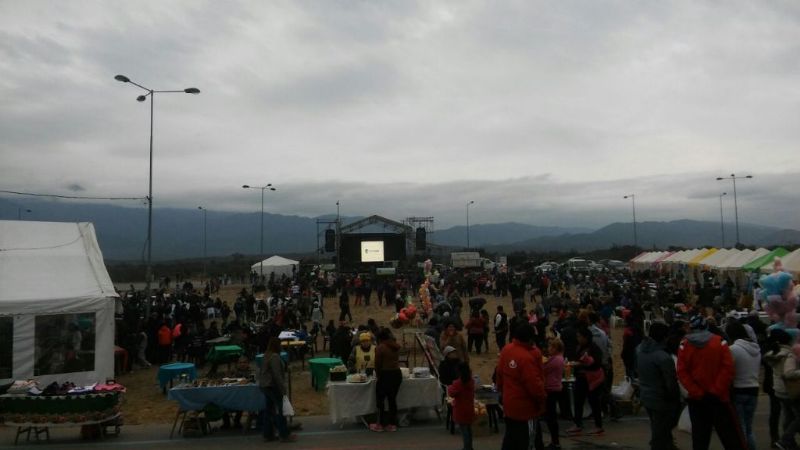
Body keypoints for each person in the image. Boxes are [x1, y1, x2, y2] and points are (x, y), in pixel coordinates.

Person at [677, 315, 746, 450]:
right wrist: (716, 390)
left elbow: (682, 373)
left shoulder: (684, 345)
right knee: (731, 438)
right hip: (719, 398)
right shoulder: (719, 342)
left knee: (700, 439)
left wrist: (696, 391)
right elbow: (727, 368)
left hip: (697, 400)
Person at [496, 323, 546, 450]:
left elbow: (499, 374)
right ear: (529, 339)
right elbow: (534, 385)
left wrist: (501, 391)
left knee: (511, 439)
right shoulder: (526, 358)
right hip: (526, 409)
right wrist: (542, 400)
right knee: (530, 442)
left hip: (509, 405)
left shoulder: (507, 349)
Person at [637, 322, 680, 450]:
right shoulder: (663, 357)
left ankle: (668, 445)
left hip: (646, 395)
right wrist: (675, 399)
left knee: (658, 428)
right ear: (665, 337)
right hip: (661, 399)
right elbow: (670, 383)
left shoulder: (640, 350)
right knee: (660, 432)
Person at [727, 321, 761, 450]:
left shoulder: (733, 349)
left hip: (738, 389)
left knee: (740, 429)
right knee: (748, 427)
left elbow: (729, 370)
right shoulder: (756, 348)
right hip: (754, 388)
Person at [567, 326, 605, 436]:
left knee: (594, 402)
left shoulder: (593, 348)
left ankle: (598, 426)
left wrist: (583, 363)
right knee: (578, 401)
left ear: (586, 337)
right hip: (581, 378)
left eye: (579, 336)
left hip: (592, 379)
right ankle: (578, 424)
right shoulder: (579, 347)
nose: (578, 338)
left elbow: (597, 363)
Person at [258, 337, 297, 442]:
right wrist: (283, 389)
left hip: (265, 385)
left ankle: (268, 433)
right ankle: (284, 434)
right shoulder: (274, 357)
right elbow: (277, 375)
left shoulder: (267, 355)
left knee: (269, 410)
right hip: (272, 386)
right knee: (281, 410)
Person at [372, 328, 402, 432]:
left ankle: (380, 424)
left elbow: (377, 364)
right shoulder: (395, 346)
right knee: (392, 399)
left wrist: (378, 375)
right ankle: (392, 424)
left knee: (380, 399)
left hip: (385, 374)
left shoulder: (380, 347)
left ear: (379, 338)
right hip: (397, 373)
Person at [537, 337, 565, 450]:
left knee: (551, 417)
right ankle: (555, 441)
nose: (548, 349)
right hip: (554, 388)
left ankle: (555, 442)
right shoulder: (558, 359)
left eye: (550, 347)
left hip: (551, 389)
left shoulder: (555, 360)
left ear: (555, 348)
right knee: (550, 416)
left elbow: (544, 369)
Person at [448, 362, 475, 450]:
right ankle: (470, 447)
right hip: (469, 408)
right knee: (469, 430)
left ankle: (467, 448)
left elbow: (451, 393)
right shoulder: (471, 381)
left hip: (460, 409)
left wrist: (450, 386)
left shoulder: (458, 383)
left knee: (464, 432)